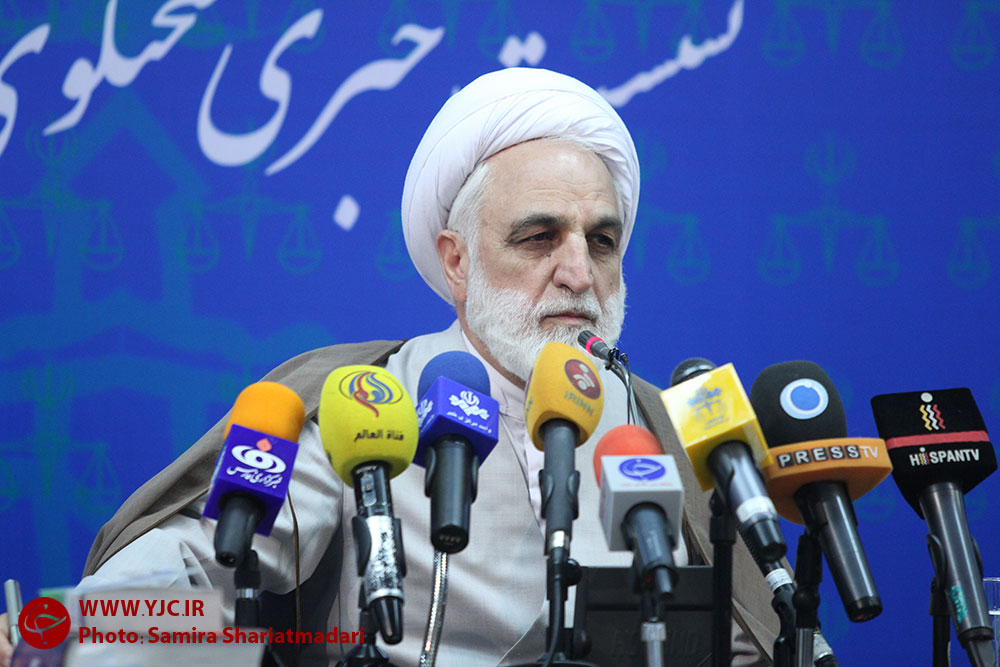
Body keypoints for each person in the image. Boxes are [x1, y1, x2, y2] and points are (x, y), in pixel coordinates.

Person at [0, 68, 777, 666]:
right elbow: (194, 567)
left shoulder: (661, 426)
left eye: (601, 241)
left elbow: (750, 639)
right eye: (540, 236)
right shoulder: (368, 401)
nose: (579, 273)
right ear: (457, 261)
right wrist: (60, 637)